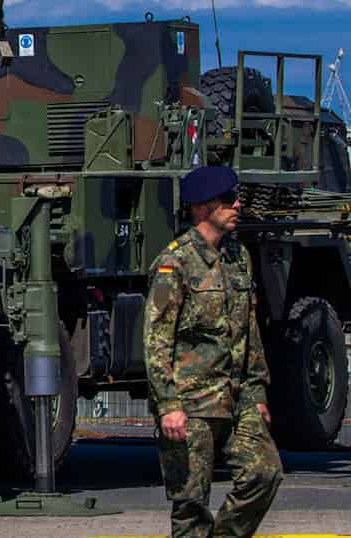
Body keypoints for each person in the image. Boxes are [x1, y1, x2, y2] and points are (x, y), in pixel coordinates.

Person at [144, 164, 283, 538]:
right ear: (203, 206)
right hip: (191, 403)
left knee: (264, 473)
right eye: (228, 199)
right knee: (191, 504)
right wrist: (168, 404)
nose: (238, 205)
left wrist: (257, 393)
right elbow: (157, 340)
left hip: (238, 399)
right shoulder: (176, 263)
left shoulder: (239, 257)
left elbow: (249, 332)